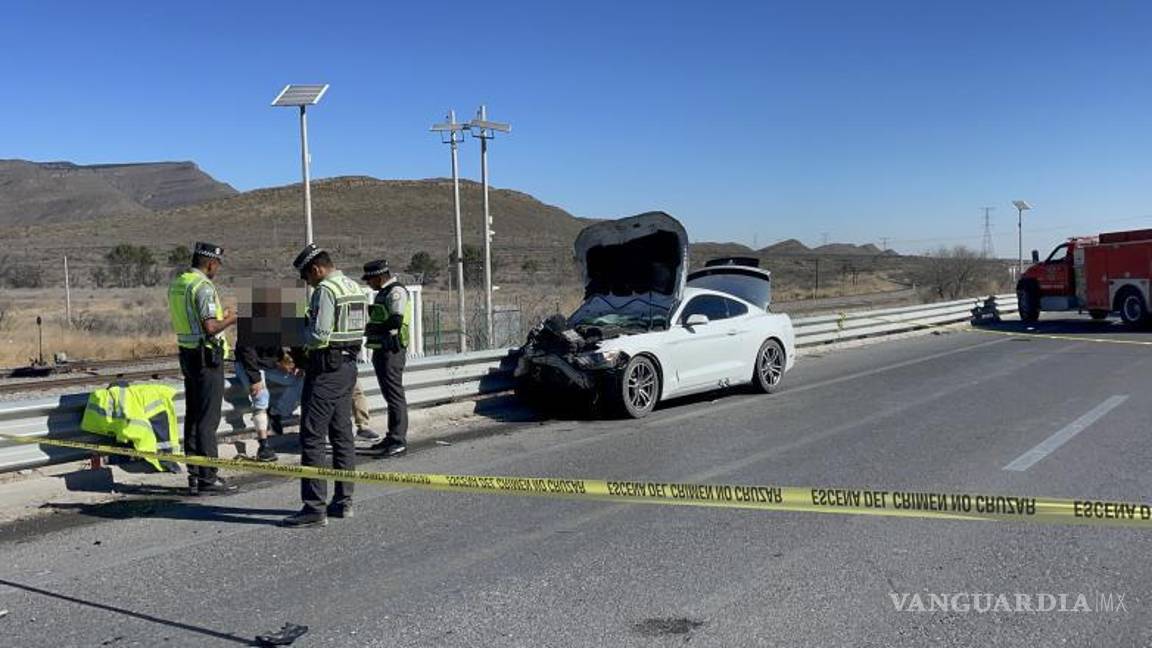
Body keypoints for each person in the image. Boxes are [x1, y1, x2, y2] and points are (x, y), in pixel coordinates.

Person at [282, 244, 368, 528]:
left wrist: (297, 332)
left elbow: (319, 335)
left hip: (326, 369)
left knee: (313, 436)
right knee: (342, 435)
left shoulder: (326, 291)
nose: (308, 283)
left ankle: (313, 507)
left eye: (307, 277)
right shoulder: (354, 287)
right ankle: (343, 502)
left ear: (317, 269)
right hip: (348, 367)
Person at [167, 242, 238, 495]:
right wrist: (231, 317)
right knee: (208, 419)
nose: (217, 270)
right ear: (210, 263)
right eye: (217, 265)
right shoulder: (203, 287)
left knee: (194, 416)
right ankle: (209, 477)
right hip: (207, 356)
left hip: (187, 353)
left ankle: (195, 476)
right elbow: (210, 327)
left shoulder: (179, 282)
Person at [362, 259, 411, 457]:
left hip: (392, 351)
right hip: (382, 350)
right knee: (390, 396)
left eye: (370, 279)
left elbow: (396, 320)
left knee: (394, 395)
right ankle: (392, 436)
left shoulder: (395, 292)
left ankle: (398, 440)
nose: (368, 284)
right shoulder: (384, 292)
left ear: (380, 276)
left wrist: (373, 328)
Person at [235, 344, 302, 462]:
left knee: (300, 380)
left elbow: (293, 341)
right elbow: (247, 351)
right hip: (248, 364)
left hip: (270, 366)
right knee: (261, 396)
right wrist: (255, 379)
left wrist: (297, 363)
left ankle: (275, 412)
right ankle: (264, 446)